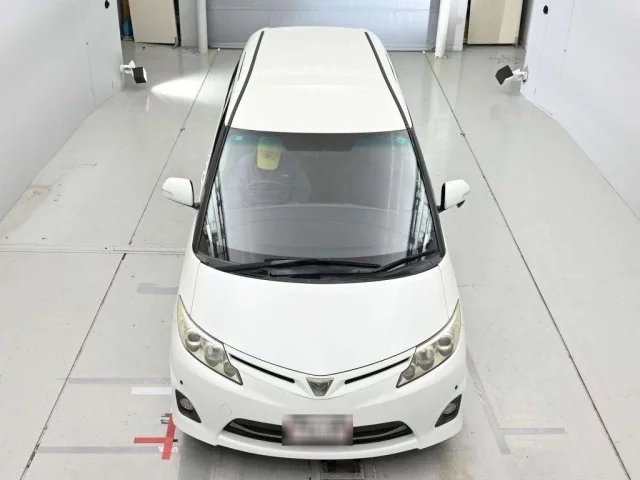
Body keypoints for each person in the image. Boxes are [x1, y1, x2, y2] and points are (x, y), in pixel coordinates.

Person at [224, 136, 312, 208]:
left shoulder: (292, 164)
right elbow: (232, 191)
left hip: (283, 213)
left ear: (281, 152)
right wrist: (244, 207)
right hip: (252, 215)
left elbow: (303, 191)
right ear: (257, 150)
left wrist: (290, 206)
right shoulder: (244, 165)